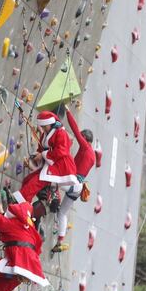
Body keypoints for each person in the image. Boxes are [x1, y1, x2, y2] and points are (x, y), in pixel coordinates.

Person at [51, 105, 95, 253]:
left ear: (86, 139)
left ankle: (52, 197)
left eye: (82, 138)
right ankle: (60, 241)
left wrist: (68, 112)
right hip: (79, 187)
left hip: (73, 182)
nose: (79, 140)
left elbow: (75, 129)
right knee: (62, 213)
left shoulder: (86, 147)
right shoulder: (92, 155)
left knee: (51, 178)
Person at [11, 110, 79, 204]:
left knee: (35, 183)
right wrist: (36, 156)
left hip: (61, 166)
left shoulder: (61, 133)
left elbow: (61, 151)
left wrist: (42, 155)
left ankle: (20, 201)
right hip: (51, 164)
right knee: (28, 180)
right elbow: (41, 149)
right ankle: (24, 203)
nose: (43, 128)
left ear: (50, 123)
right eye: (42, 126)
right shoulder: (45, 134)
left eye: (44, 126)